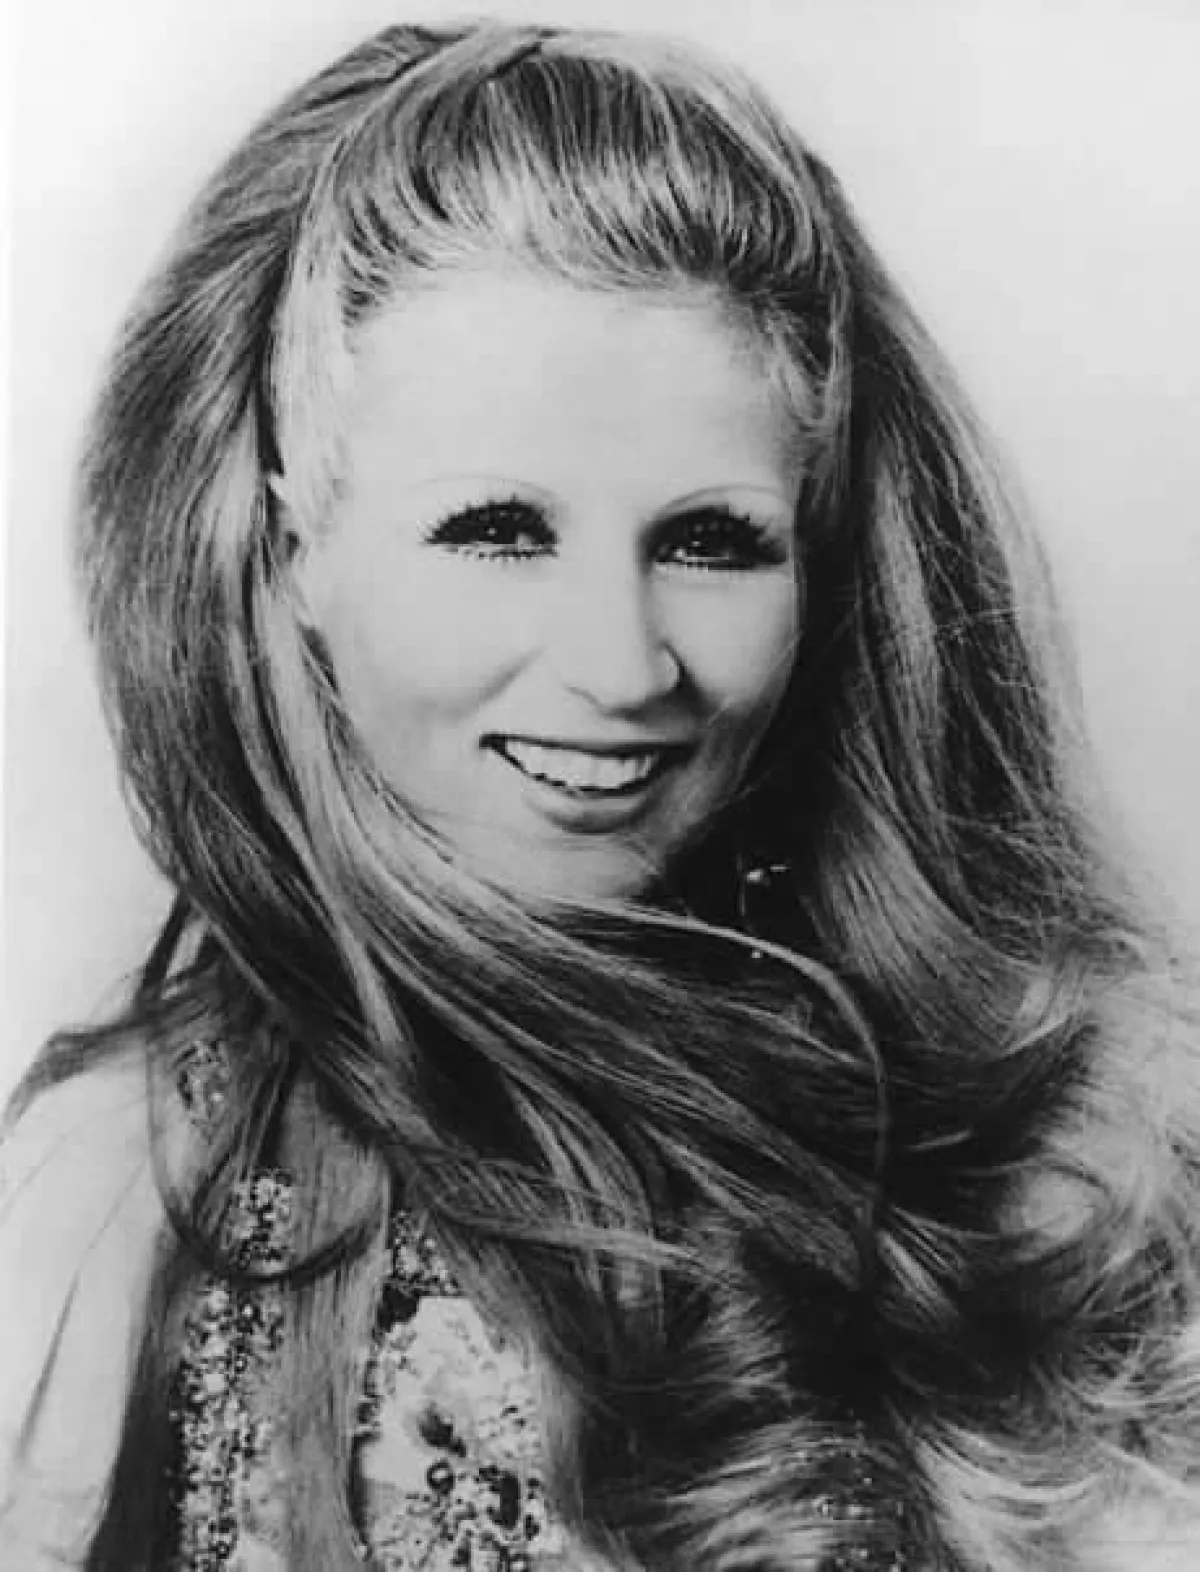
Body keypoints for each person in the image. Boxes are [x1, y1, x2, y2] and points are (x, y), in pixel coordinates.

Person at [2, 17, 1198, 1571]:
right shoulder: (120, 1189)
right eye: (497, 530)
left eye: (712, 541)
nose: (623, 666)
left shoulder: (1066, 1146)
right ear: (292, 553)